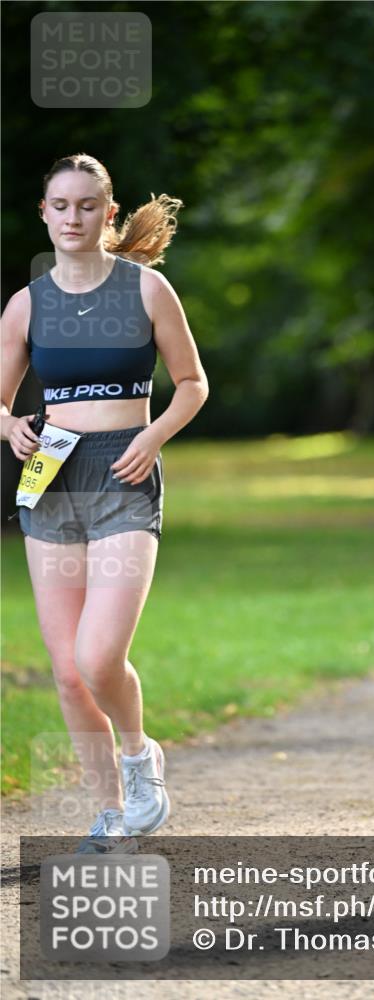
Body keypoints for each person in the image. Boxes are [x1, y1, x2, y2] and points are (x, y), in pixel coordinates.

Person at [1, 154, 209, 851]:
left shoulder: (147, 291)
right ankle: (112, 811)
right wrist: (10, 424)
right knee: (65, 671)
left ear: (108, 214)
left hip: (123, 472)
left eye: (87, 205)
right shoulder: (27, 304)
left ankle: (138, 752)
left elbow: (191, 384)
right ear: (44, 214)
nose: (72, 217)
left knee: (98, 656)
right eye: (60, 205)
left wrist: (151, 436)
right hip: (52, 480)